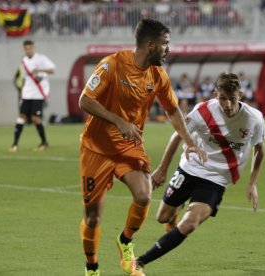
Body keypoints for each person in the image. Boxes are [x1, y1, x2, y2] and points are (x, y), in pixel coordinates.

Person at [78, 18, 206, 276]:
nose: (169, 50)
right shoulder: (112, 65)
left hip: (129, 147)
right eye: (165, 44)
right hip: (96, 149)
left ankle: (125, 242)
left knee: (144, 195)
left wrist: (190, 142)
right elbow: (85, 100)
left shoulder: (158, 75)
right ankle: (91, 268)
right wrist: (118, 121)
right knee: (93, 218)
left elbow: (172, 111)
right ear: (150, 45)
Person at [133, 72, 265, 275]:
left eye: (233, 98)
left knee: (191, 223)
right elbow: (178, 135)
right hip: (190, 168)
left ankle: (139, 262)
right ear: (216, 94)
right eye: (223, 98)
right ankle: (173, 216)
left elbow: (259, 149)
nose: (228, 105)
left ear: (240, 94)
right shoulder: (203, 111)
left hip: (217, 178)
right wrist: (162, 169)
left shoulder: (254, 119)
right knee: (162, 217)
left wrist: (252, 182)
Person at [9, 40, 55, 152]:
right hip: (27, 93)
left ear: (33, 47)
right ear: (24, 49)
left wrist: (39, 70)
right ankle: (15, 144)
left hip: (38, 94)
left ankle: (44, 142)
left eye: (30, 48)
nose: (28, 50)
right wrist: (21, 92)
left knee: (35, 119)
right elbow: (24, 78)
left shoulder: (41, 58)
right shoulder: (23, 61)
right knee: (21, 117)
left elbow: (52, 70)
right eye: (26, 48)